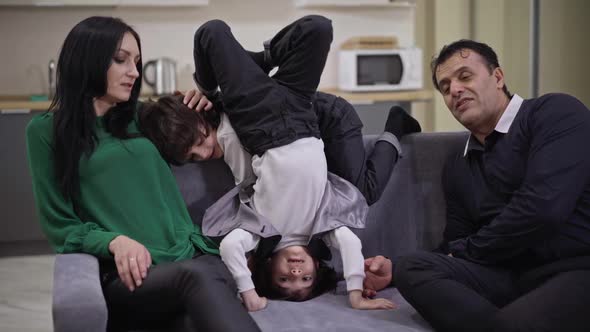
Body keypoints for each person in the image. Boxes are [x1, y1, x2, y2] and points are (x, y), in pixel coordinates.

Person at [139, 16, 398, 312]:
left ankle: (259, 60)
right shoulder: (325, 223)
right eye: (304, 279)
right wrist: (354, 293)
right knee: (319, 28)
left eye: (285, 280)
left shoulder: (257, 226)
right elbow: (350, 243)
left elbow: (233, 232)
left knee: (213, 32)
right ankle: (261, 61)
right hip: (301, 112)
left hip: (258, 116)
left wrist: (209, 93)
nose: (296, 273)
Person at [25, 16, 260, 331]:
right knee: (197, 278)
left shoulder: (141, 117)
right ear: (87, 60)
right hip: (131, 274)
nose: (134, 72)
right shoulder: (45, 132)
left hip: (189, 254)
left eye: (137, 61)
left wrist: (209, 101)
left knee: (194, 311)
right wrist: (114, 241)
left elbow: (201, 130)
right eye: (121, 60)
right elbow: (60, 226)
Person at [363, 39, 590, 331]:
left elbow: (542, 209)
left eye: (465, 76)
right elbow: (457, 242)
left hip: (574, 268)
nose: (454, 90)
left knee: (514, 322)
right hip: (508, 276)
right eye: (445, 87)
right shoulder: (459, 165)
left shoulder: (554, 113)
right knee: (412, 266)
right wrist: (392, 270)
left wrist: (464, 251)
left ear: (498, 77)